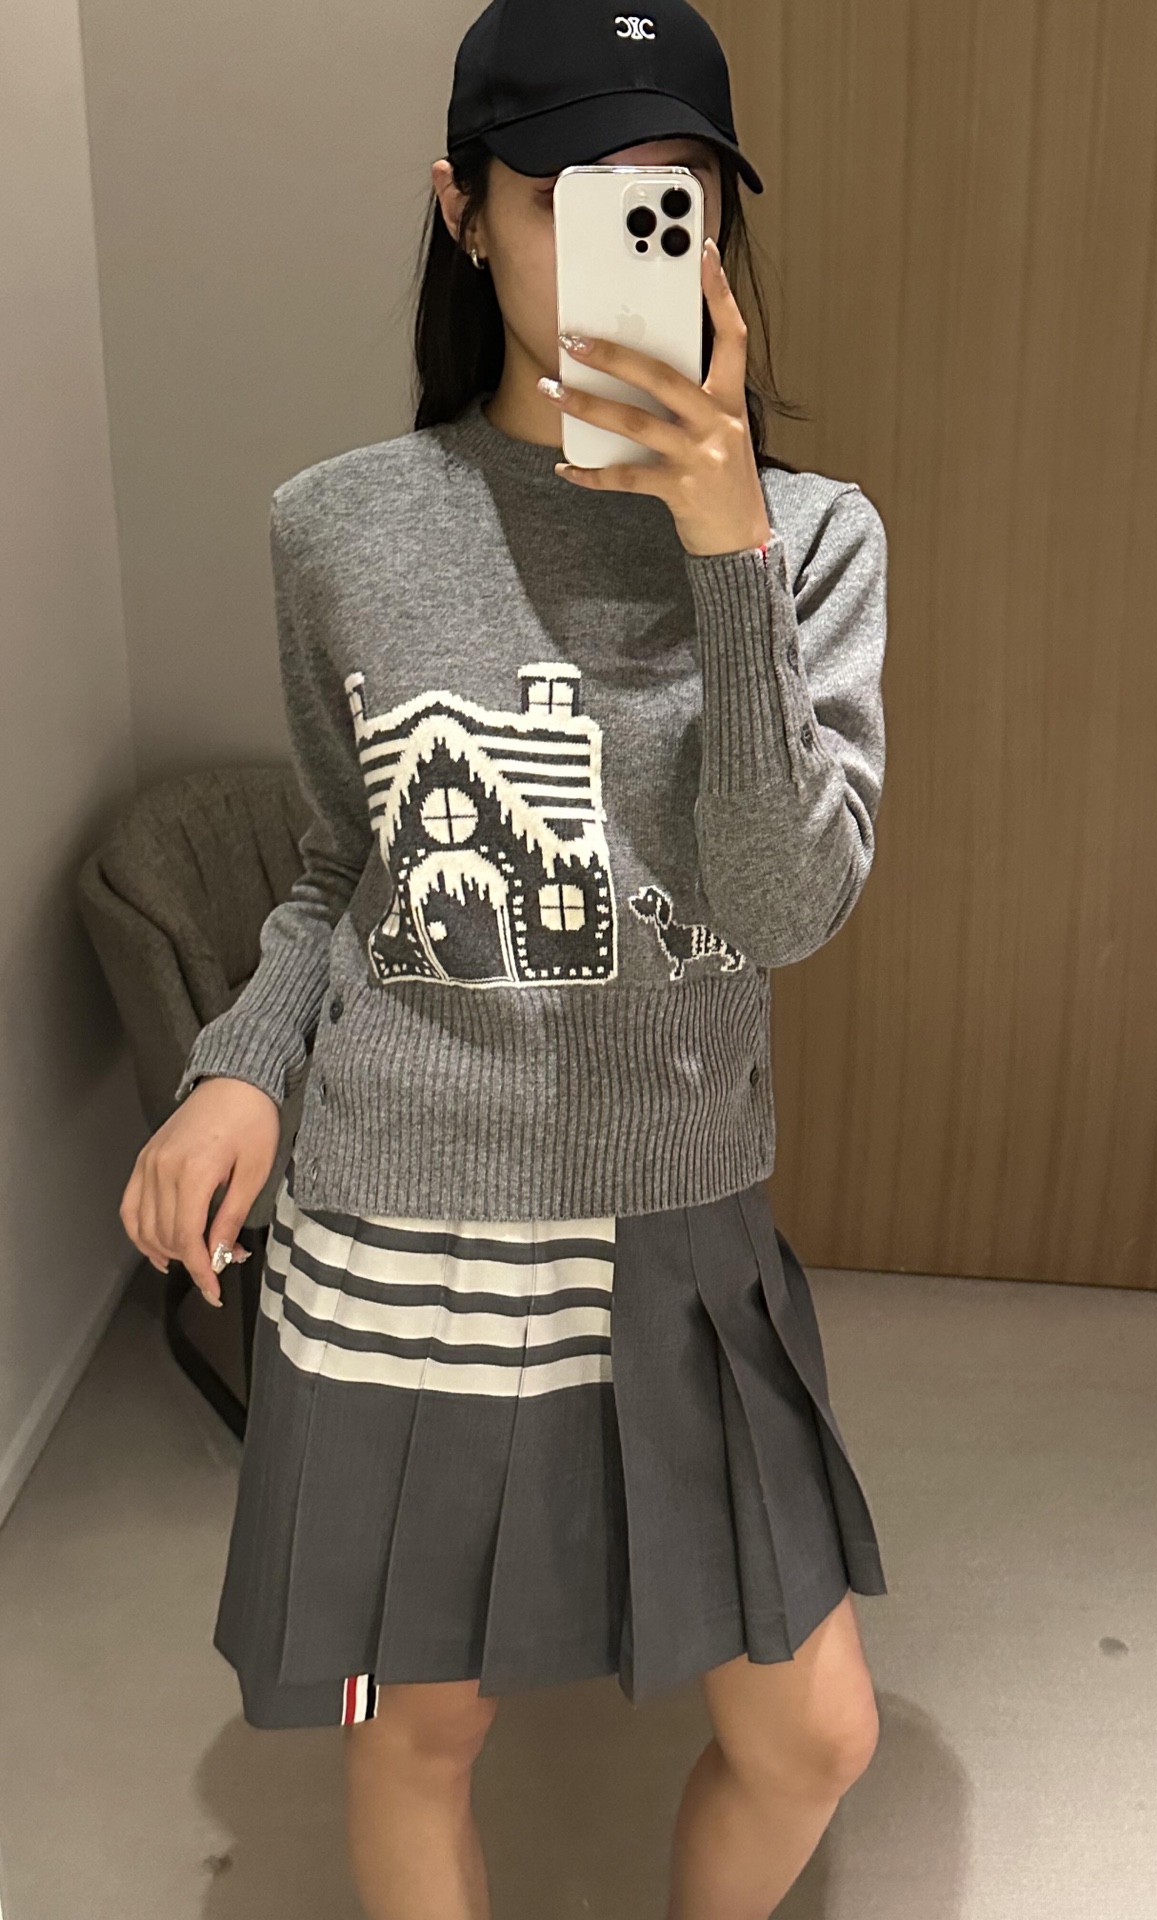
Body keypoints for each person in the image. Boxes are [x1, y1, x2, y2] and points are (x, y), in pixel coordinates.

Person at [119, 0, 890, 1913]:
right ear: (463, 211)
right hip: (405, 1220)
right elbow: (343, 870)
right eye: (569, 195)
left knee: (813, 1734)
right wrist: (240, 1066)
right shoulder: (341, 529)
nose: (633, 238)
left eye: (674, 196)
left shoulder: (813, 541)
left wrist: (725, 546)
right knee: (421, 1734)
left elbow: (785, 905)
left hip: (679, 1216)